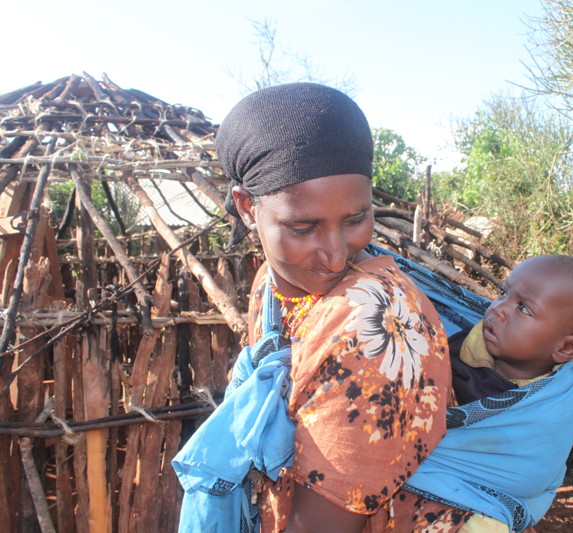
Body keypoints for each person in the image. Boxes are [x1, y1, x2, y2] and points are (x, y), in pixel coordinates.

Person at [172, 82, 483, 533]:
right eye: (303, 226)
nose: (336, 254)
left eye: (356, 220)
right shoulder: (270, 288)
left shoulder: (375, 319)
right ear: (245, 206)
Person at [404, 254, 573, 532]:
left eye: (524, 309)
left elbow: (531, 475)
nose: (498, 309)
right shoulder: (456, 342)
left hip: (482, 505)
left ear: (567, 349)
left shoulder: (551, 405)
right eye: (503, 293)